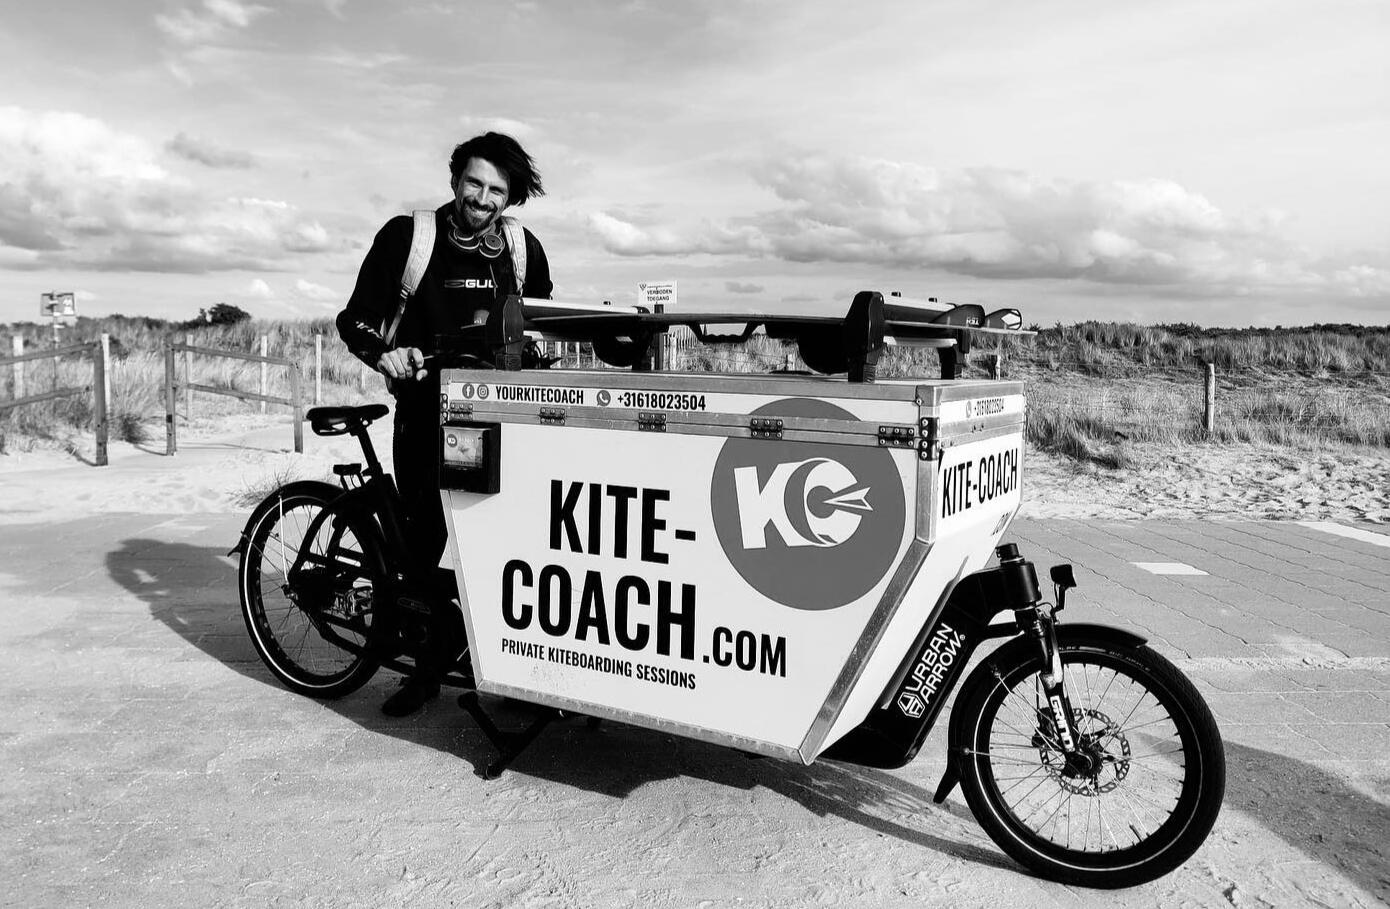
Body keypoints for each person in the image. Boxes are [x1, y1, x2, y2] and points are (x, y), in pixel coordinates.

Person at [336, 132, 553, 716]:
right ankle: (425, 672)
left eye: (496, 190)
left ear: (511, 196)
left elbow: (543, 322)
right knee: (428, 542)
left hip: (502, 419)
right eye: (473, 183)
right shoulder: (409, 237)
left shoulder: (522, 248)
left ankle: (510, 672)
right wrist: (385, 354)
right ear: (455, 179)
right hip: (426, 415)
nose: (482, 198)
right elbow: (355, 319)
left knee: (504, 539)